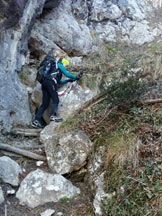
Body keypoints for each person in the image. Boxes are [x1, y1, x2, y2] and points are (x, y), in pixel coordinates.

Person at [32, 57, 81, 129]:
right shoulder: (59, 64)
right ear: (64, 63)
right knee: (56, 100)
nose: (66, 67)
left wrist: (68, 80)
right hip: (50, 83)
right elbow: (67, 74)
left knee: (44, 104)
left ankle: (36, 121)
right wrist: (76, 77)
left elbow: (59, 82)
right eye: (66, 65)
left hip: (45, 84)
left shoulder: (54, 70)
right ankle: (52, 115)